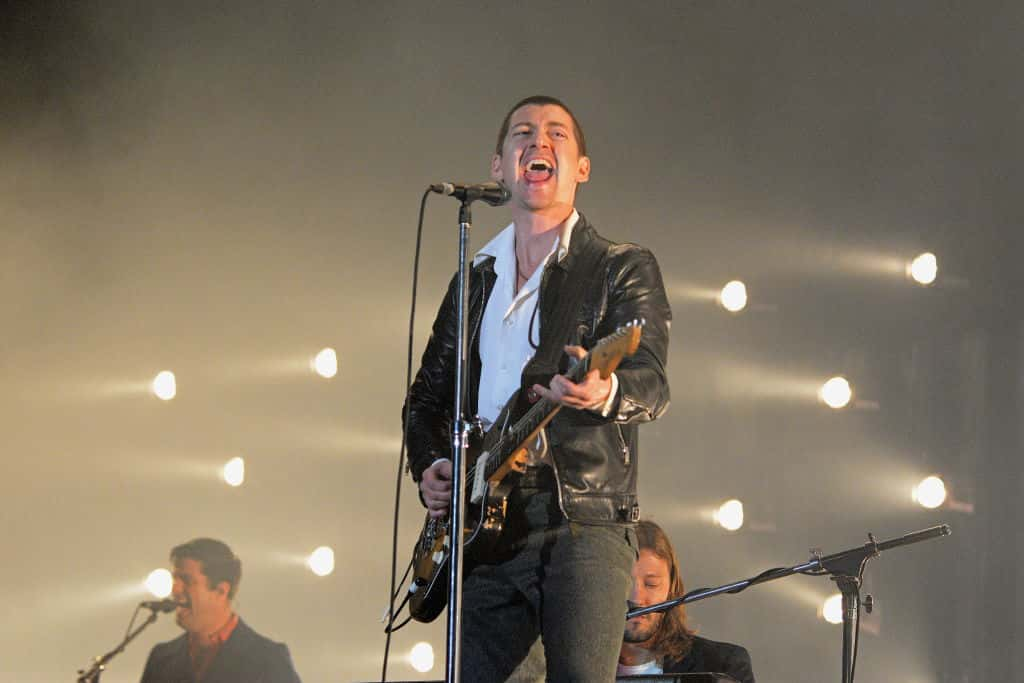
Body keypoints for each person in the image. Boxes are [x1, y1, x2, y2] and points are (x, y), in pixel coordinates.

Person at [405, 94, 672, 681]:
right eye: (523, 132)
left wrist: (601, 389)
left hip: (581, 521)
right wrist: (430, 464)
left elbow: (651, 382)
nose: (538, 141)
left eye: (557, 134)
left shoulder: (618, 267)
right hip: (482, 529)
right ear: (499, 166)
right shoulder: (475, 279)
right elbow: (424, 399)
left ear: (581, 167)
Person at [140, 538, 302, 683]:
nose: (175, 589)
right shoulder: (161, 658)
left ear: (221, 591)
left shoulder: (268, 659)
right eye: (174, 579)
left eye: (187, 580)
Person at [618, 520, 755, 682]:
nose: (636, 598)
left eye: (651, 584)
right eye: (625, 583)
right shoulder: (580, 663)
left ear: (672, 588)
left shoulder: (722, 665)